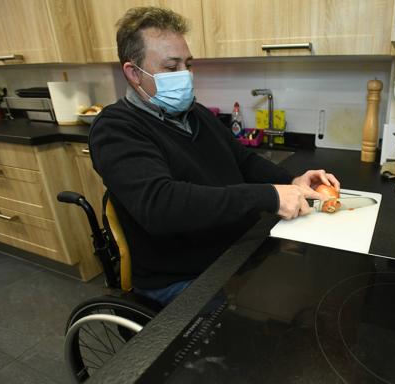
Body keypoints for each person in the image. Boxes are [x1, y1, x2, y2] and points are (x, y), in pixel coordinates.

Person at [89, 6, 340, 305]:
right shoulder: (115, 128)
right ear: (133, 73)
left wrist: (292, 181)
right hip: (182, 277)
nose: (185, 75)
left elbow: (243, 162)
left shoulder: (197, 114)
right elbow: (161, 205)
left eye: (188, 64)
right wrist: (269, 196)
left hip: (233, 253)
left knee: (314, 290)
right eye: (171, 68)